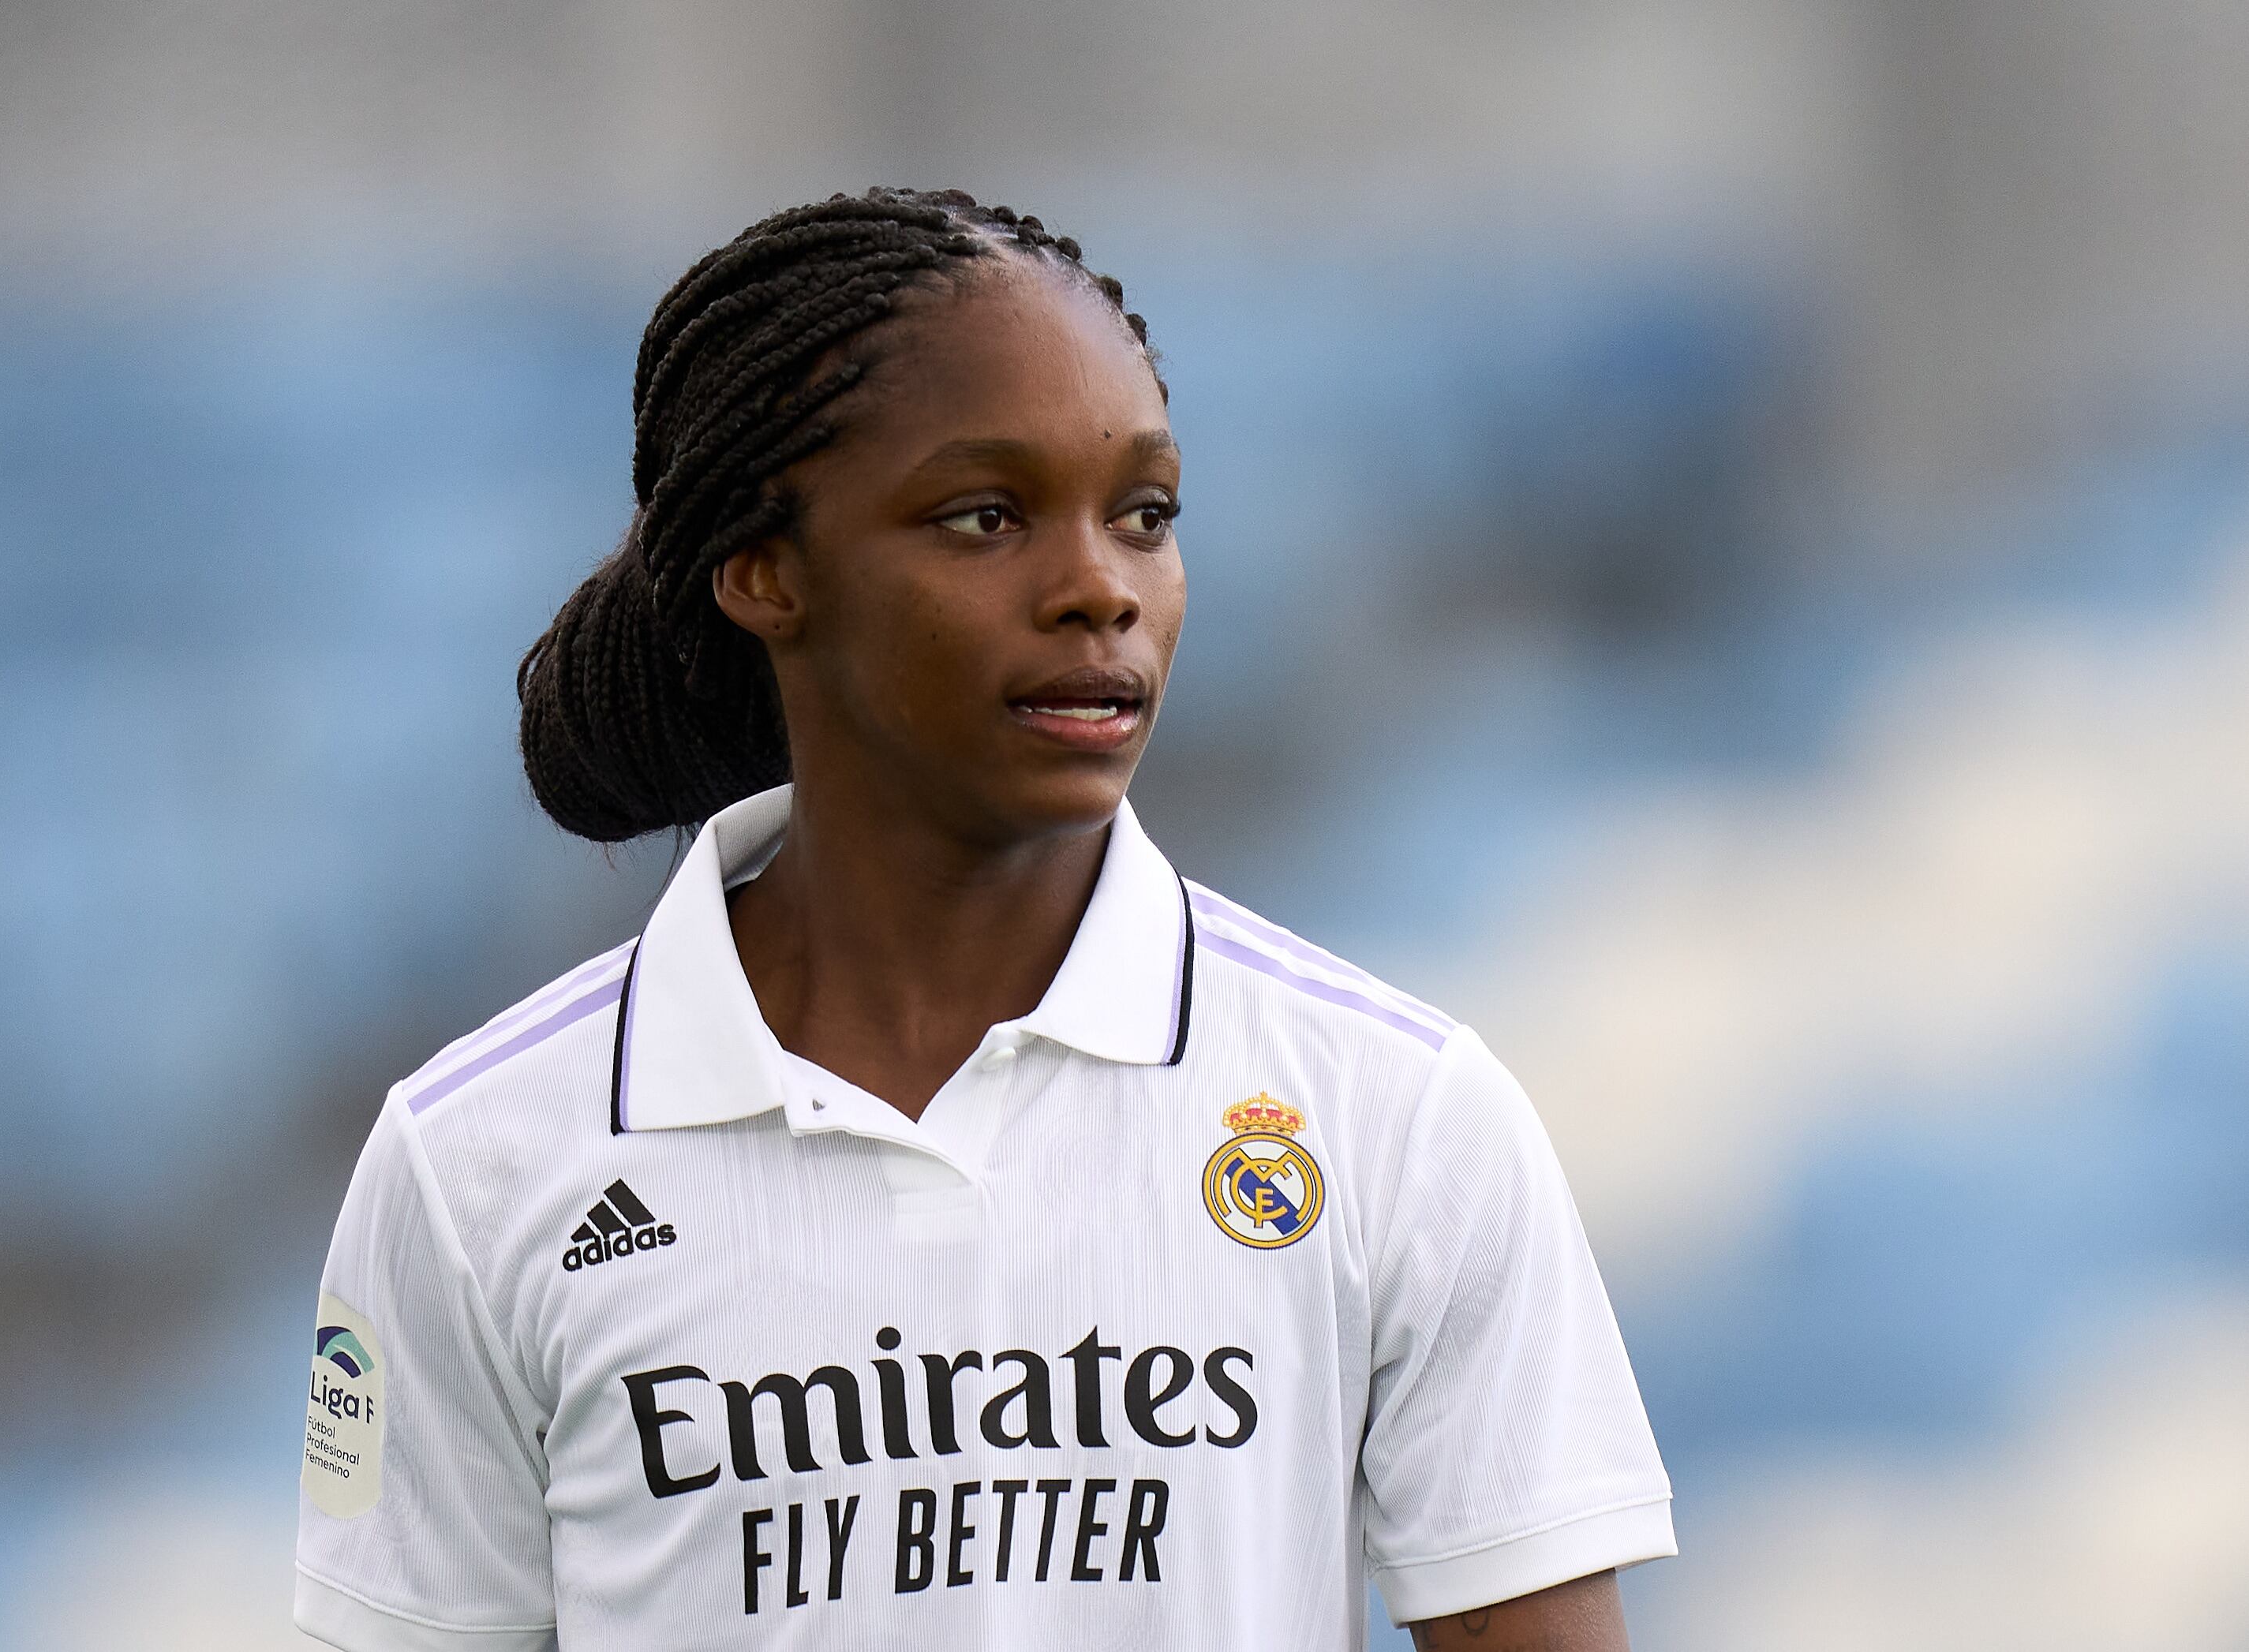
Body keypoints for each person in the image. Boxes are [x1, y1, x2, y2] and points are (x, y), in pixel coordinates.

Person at [294, 188, 1673, 1652]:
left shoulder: (1399, 1116)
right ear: (766, 572)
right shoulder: (475, 1167)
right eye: (984, 516)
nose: (1099, 589)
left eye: (1143, 515)